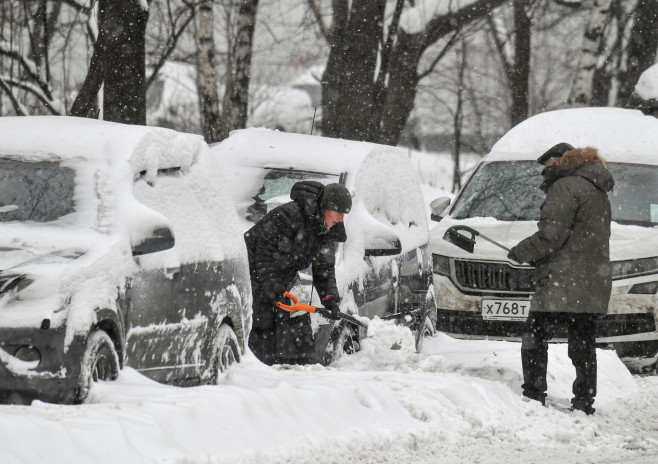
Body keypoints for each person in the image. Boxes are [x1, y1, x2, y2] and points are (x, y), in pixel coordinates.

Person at [508, 143, 614, 415]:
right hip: (591, 282)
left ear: (557, 163)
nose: (544, 176)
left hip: (561, 282)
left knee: (534, 336)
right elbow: (584, 238)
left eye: (546, 169)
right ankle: (583, 401)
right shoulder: (598, 189)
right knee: (583, 345)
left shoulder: (565, 187)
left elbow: (551, 236)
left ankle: (532, 396)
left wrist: (520, 252)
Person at [244, 181, 352, 365]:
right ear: (325, 207)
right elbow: (264, 257)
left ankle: (285, 372)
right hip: (250, 276)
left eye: (344, 215)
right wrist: (275, 291)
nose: (341, 219)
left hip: (279, 280)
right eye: (338, 213)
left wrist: (330, 300)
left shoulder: (326, 228)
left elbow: (323, 268)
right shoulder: (289, 217)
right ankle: (256, 373)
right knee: (262, 329)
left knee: (289, 332)